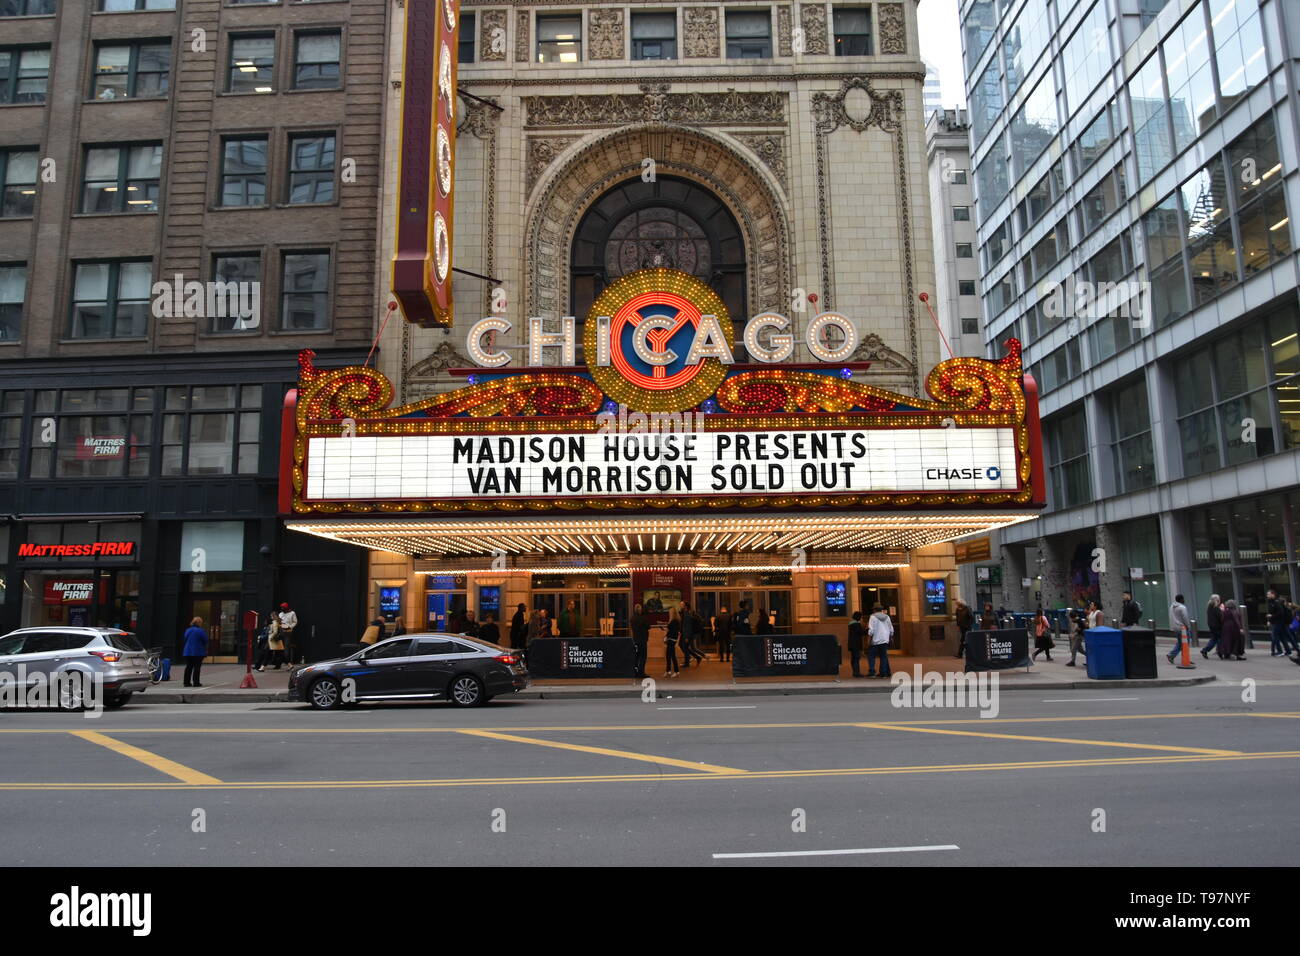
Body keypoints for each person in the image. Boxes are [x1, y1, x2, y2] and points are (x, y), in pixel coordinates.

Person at [1266, 590, 1296, 656]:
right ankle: (1288, 651)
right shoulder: (1271, 603)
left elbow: (1280, 613)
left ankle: (1280, 651)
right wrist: (1269, 619)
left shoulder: (1276, 603)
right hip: (1279, 622)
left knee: (1275, 636)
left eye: (1268, 594)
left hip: (1278, 622)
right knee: (1283, 637)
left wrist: (1271, 616)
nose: (1267, 596)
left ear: (1273, 594)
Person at [866, 604, 893, 678]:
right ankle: (883, 673)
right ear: (881, 610)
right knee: (883, 656)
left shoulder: (872, 617)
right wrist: (890, 638)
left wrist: (868, 639)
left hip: (875, 639)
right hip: (885, 639)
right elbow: (891, 629)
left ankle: (872, 672)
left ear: (874, 610)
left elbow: (871, 630)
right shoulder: (887, 617)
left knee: (871, 656)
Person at [182, 616, 208, 688]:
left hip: (187, 651)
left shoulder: (188, 630)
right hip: (198, 652)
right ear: (199, 623)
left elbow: (185, 639)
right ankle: (196, 682)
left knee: (188, 667)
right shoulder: (201, 631)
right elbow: (205, 640)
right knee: (197, 667)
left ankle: (186, 682)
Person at [1168, 594, 1191, 663]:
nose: (1184, 600)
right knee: (1185, 643)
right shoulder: (1182, 607)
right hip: (1182, 627)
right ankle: (1185, 659)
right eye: (1183, 599)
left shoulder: (1172, 606)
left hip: (1175, 627)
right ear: (1181, 599)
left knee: (1180, 643)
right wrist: (1188, 626)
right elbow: (1185, 618)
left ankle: (1171, 655)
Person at [680, 601, 705, 666]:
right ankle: (697, 657)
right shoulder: (684, 612)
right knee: (684, 647)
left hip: (687, 634)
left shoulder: (687, 614)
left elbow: (687, 626)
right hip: (686, 633)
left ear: (685, 606)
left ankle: (687, 662)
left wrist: (686, 637)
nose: (680, 605)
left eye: (682, 604)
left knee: (685, 648)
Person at [630, 603, 650, 679]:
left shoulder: (632, 618)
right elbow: (648, 627)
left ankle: (635, 672)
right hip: (643, 640)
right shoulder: (643, 618)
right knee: (643, 657)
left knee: (636, 656)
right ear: (640, 610)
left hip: (635, 639)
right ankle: (641, 672)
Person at [663, 606, 681, 677]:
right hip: (672, 639)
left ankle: (676, 671)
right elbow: (675, 631)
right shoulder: (676, 621)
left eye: (669, 612)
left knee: (672, 656)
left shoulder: (673, 621)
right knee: (668, 655)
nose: (668, 614)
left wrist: (666, 632)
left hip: (671, 639)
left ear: (672, 613)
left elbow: (672, 631)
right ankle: (668, 670)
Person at [1204, 594, 1224, 659]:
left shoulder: (1209, 607)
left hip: (1212, 626)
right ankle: (1220, 652)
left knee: (1214, 639)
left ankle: (1205, 650)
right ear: (1217, 600)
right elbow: (1221, 618)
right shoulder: (1216, 608)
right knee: (1220, 639)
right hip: (1217, 626)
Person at [847, 610, 865, 677]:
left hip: (852, 644)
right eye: (860, 617)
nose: (861, 618)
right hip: (856, 644)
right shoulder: (856, 624)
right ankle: (856, 673)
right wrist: (868, 630)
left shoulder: (851, 624)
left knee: (853, 658)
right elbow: (861, 633)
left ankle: (855, 672)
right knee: (856, 658)